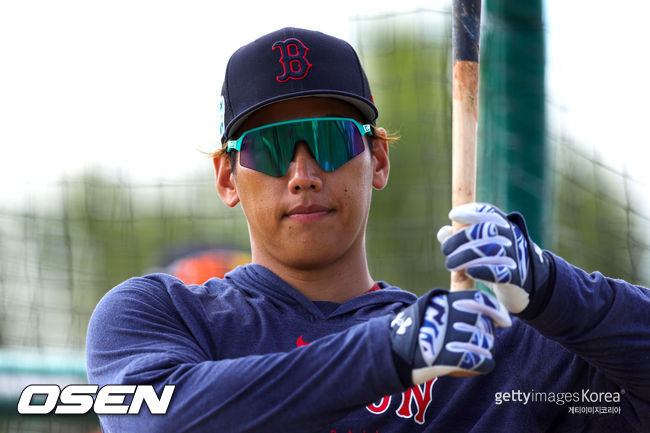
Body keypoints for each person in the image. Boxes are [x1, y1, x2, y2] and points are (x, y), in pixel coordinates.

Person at [86, 27, 650, 432]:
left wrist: (550, 286)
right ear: (228, 176)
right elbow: (160, 421)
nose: (303, 175)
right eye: (271, 148)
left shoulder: (489, 349)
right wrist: (393, 352)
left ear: (377, 160)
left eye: (331, 141)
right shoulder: (161, 315)